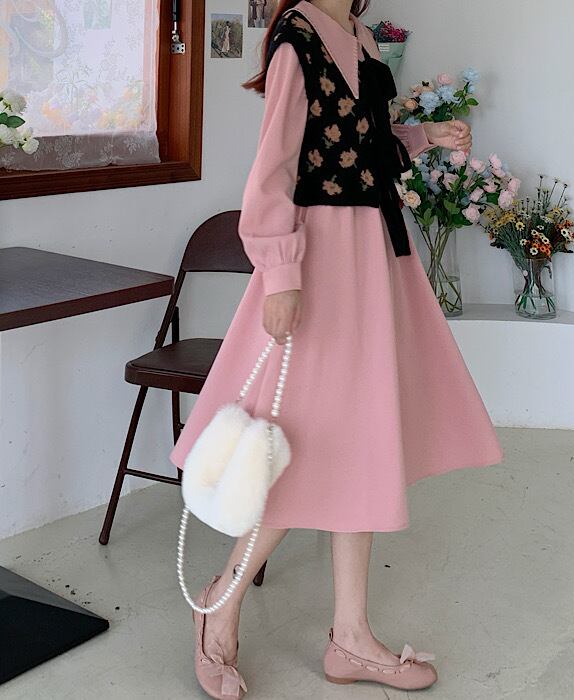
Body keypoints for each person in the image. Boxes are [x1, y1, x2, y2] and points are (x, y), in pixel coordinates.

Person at [170, 0, 503, 697]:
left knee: (361, 442)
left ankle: (351, 635)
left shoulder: (360, 38)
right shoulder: (297, 38)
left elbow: (362, 141)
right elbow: (273, 169)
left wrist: (424, 136)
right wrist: (281, 274)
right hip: (319, 260)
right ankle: (219, 605)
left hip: (373, 256)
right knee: (299, 443)